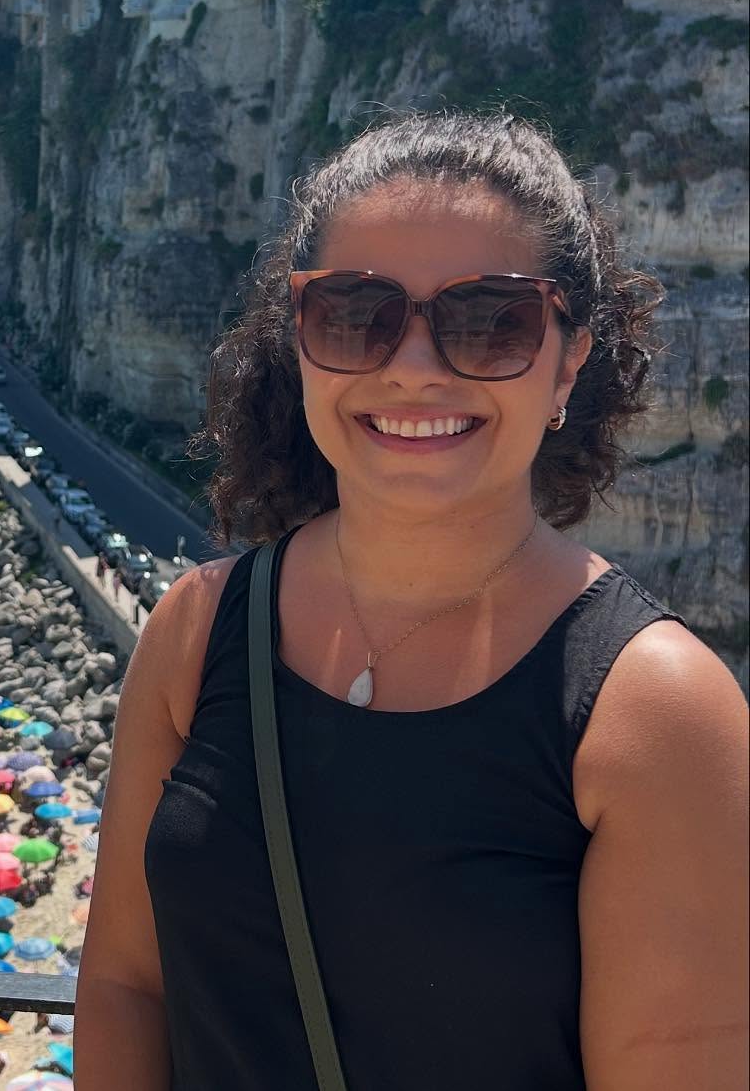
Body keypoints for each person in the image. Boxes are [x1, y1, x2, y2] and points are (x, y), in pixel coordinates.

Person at [76, 110, 749, 1091]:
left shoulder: (656, 710)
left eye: (492, 321)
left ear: (567, 362)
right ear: (300, 339)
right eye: (357, 311)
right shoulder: (197, 628)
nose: (417, 365)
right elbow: (128, 983)